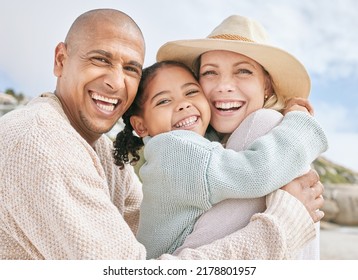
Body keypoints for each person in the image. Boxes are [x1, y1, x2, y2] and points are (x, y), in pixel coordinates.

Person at [0, 8, 323, 260]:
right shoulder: (40, 140)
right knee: (268, 128)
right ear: (61, 60)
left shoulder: (103, 154)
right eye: (100, 59)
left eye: (130, 69)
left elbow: (141, 229)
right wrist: (283, 225)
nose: (115, 82)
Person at [113, 58, 327, 259]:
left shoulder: (196, 142)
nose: (183, 104)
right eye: (164, 101)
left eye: (191, 92)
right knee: (269, 126)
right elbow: (256, 173)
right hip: (178, 258)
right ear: (140, 126)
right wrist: (299, 122)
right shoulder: (173, 149)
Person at [157, 15, 325, 259]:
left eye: (243, 71)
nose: (224, 85)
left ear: (266, 86)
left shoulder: (264, 126)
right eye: (210, 73)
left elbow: (189, 256)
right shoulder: (210, 146)